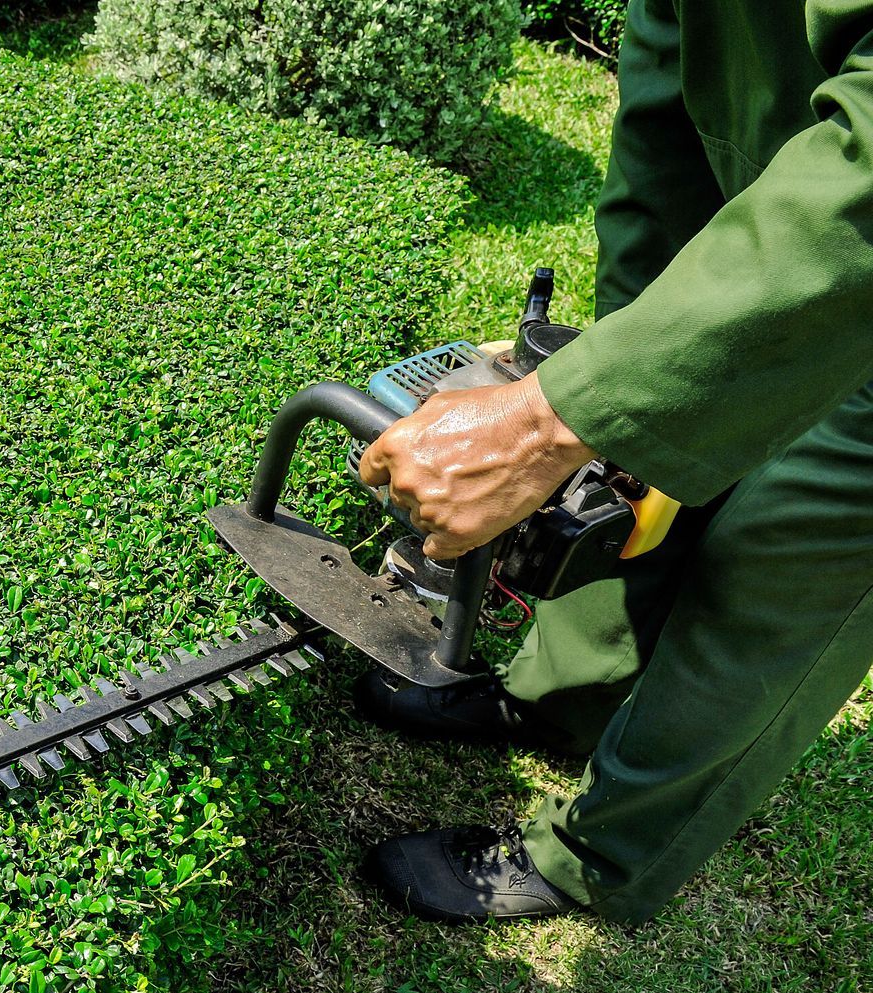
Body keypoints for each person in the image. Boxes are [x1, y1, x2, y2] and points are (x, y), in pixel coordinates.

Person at [354, 0, 873, 924]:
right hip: (804, 208)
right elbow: (674, 77)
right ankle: (566, 699)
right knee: (636, 474)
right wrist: (624, 380)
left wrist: (551, 421)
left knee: (784, 551)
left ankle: (599, 854)